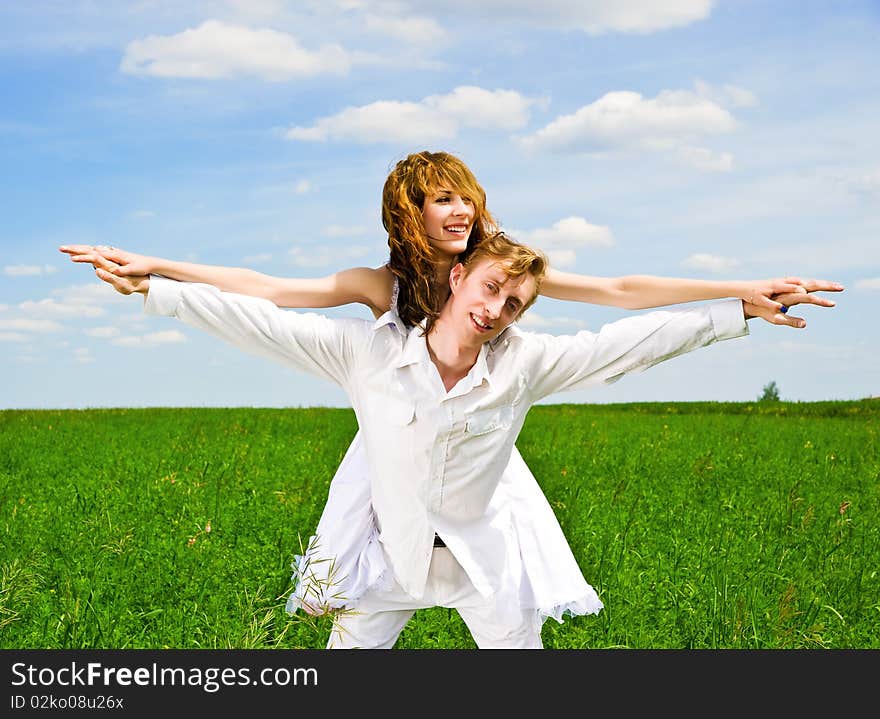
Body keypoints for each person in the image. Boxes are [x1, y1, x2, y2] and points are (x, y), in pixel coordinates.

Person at [59, 150, 842, 625]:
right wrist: (157, 269)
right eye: (442, 197)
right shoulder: (383, 282)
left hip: (477, 437)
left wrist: (740, 289)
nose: (461, 207)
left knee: (497, 572)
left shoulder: (503, 268)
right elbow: (267, 291)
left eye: (466, 194)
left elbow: (620, 291)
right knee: (364, 576)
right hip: (394, 437)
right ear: (411, 212)